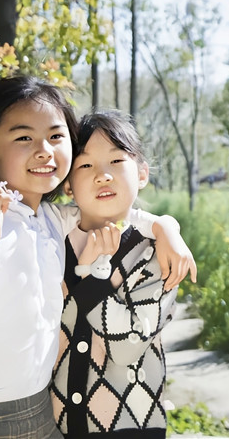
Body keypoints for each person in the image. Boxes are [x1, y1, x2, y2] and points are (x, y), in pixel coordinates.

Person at [0, 75, 195, 438]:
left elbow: (109, 209)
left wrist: (167, 227)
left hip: (43, 415)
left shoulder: (48, 219)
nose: (44, 150)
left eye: (56, 136)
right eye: (24, 137)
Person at [50, 111, 178, 438]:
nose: (102, 176)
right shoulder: (52, 239)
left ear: (142, 174)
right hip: (55, 423)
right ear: (67, 185)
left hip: (130, 426)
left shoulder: (155, 252)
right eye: (85, 165)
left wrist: (92, 276)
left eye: (117, 161)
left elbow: (126, 348)